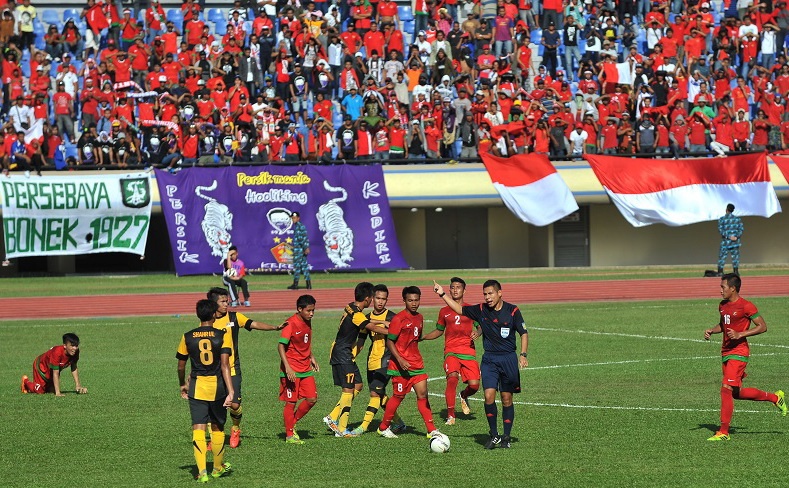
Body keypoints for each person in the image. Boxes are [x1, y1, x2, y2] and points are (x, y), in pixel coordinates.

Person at [432, 279, 528, 449]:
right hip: (489, 360)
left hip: (508, 359)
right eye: (485, 294)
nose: (487, 297)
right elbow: (458, 309)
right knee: (489, 396)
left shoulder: (513, 310)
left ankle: (506, 436)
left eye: (490, 293)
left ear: (499, 293)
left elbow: (523, 333)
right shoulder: (481, 310)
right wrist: (442, 294)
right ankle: (494, 435)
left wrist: (523, 354)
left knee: (506, 399)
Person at [703, 274, 787, 441]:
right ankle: (775, 397)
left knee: (725, 388)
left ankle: (723, 432)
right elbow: (724, 323)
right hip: (726, 351)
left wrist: (741, 333)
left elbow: (762, 326)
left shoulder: (746, 306)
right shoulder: (722, 305)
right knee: (735, 393)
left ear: (733, 288)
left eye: (723, 287)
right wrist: (712, 330)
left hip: (739, 352)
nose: (720, 290)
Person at [207, 287, 283, 449]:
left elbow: (253, 323)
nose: (227, 303)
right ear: (213, 304)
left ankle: (235, 428)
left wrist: (274, 327)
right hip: (212, 371)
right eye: (223, 301)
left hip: (232, 369)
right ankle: (214, 438)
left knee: (234, 405)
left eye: (227, 300)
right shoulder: (207, 320)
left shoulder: (234, 317)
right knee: (213, 405)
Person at [176, 299, 234, 482]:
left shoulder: (187, 336)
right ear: (214, 314)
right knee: (217, 427)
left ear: (197, 314)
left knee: (198, 428)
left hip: (197, 387)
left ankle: (202, 472)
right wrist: (231, 391)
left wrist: (182, 384)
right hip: (217, 387)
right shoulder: (221, 335)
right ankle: (217, 467)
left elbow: (180, 365)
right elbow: (225, 366)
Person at [376, 286, 443, 440]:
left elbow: (416, 339)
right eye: (410, 300)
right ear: (404, 300)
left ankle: (431, 430)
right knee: (398, 396)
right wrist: (400, 359)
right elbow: (390, 342)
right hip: (400, 367)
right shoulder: (398, 319)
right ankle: (383, 427)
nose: (414, 303)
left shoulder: (419, 318)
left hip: (416, 364)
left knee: (423, 395)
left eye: (416, 300)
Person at [323, 282, 389, 436]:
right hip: (343, 353)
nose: (373, 301)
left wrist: (381, 321)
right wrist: (391, 330)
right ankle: (341, 428)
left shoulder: (350, 307)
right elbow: (371, 327)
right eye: (372, 298)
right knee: (348, 389)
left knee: (358, 384)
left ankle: (332, 416)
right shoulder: (358, 315)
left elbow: (365, 322)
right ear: (367, 299)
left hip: (343, 352)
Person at [422, 277, 481, 425]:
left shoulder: (470, 309)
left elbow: (481, 326)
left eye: (458, 287)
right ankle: (451, 415)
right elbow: (439, 331)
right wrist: (423, 337)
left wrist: (478, 333)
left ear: (464, 290)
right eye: (452, 287)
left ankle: (463, 395)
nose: (455, 290)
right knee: (452, 378)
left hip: (468, 351)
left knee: (474, 385)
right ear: (449, 290)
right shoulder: (444, 311)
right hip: (451, 351)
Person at [349, 284, 405, 435]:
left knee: (375, 392)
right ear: (372, 298)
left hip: (387, 360)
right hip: (371, 361)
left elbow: (399, 338)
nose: (380, 302)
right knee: (379, 395)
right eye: (378, 298)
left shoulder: (393, 317)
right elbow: (360, 342)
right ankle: (399, 423)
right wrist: (351, 355)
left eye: (384, 299)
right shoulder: (366, 319)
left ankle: (363, 427)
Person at [278, 295, 319, 444]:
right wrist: (287, 367)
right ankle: (289, 435)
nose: (311, 314)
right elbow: (281, 345)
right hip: (291, 370)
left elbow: (303, 343)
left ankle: (291, 423)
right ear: (299, 309)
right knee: (291, 402)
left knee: (312, 398)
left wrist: (311, 356)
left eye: (313, 310)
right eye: (308, 311)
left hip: (305, 367)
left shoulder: (307, 321)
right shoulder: (290, 323)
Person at [21, 333, 87, 396]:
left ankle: (47, 387)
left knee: (50, 390)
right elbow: (56, 373)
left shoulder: (75, 352)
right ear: (64, 345)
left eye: (76, 345)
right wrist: (58, 393)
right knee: (40, 391)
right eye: (72, 346)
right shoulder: (57, 353)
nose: (75, 348)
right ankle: (26, 382)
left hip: (50, 370)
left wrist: (78, 385)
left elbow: (74, 366)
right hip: (40, 367)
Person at [287, 211, 311, 290]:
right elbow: (305, 238)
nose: (293, 220)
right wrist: (306, 247)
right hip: (301, 249)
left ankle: (295, 284)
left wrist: (305, 248)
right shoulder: (299, 226)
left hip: (299, 250)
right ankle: (308, 284)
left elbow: (302, 239)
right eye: (292, 218)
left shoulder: (299, 227)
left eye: (294, 218)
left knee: (297, 267)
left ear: (298, 218)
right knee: (304, 267)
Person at [718, 203, 744, 276]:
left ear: (726, 209)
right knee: (735, 258)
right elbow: (741, 229)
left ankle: (720, 271)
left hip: (725, 242)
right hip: (735, 242)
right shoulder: (738, 219)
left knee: (722, 257)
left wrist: (728, 237)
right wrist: (736, 237)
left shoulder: (722, 219)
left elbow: (721, 230)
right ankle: (736, 271)